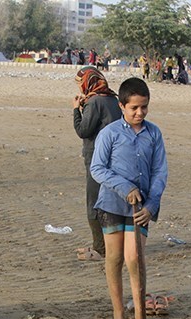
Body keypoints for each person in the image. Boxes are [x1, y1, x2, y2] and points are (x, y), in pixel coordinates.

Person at [90, 77, 168, 319]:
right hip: (112, 205)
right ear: (122, 106)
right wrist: (125, 188)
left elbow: (159, 172)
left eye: (144, 107)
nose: (139, 113)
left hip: (141, 209)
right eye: (134, 107)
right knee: (114, 259)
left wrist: (152, 204)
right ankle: (119, 314)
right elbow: (97, 169)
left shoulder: (153, 133)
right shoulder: (109, 133)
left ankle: (140, 316)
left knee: (135, 259)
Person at [72, 66, 122, 263]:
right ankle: (109, 244)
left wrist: (76, 110)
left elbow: (83, 130)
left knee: (93, 203)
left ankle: (100, 249)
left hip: (96, 158)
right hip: (114, 158)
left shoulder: (94, 102)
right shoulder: (113, 100)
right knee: (110, 202)